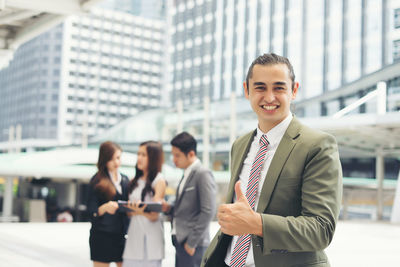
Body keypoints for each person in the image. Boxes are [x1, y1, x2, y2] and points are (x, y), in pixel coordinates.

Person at [201, 53, 342, 267]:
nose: (269, 97)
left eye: (279, 88)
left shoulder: (318, 146)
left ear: (294, 91)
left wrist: (256, 223)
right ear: (247, 90)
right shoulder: (239, 145)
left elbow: (321, 229)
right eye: (260, 88)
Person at [163, 132, 216, 267]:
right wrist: (169, 208)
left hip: (193, 245)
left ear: (191, 154)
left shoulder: (202, 174)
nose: (174, 159)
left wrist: (191, 242)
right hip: (181, 242)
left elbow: (208, 210)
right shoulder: (186, 173)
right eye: (173, 155)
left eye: (177, 155)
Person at [123, 141, 167, 267]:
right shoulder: (134, 181)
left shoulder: (159, 180)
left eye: (143, 155)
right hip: (133, 238)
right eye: (138, 154)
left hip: (151, 242)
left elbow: (154, 215)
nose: (139, 158)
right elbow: (127, 212)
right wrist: (141, 210)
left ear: (152, 158)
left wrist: (137, 210)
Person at [87, 141, 130, 267]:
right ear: (104, 160)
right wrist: (105, 208)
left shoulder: (125, 180)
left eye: (118, 158)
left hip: (121, 235)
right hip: (102, 237)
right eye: (112, 159)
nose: (116, 163)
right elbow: (91, 211)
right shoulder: (97, 181)